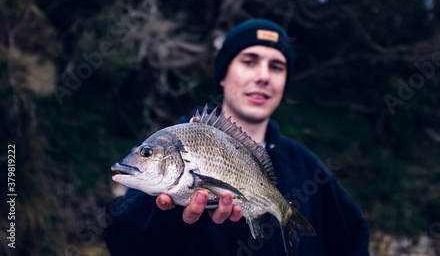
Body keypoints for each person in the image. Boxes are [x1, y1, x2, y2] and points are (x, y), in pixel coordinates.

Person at [104, 19, 370, 255]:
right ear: (222, 75)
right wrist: (167, 220)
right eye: (249, 61)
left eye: (276, 67)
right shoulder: (170, 145)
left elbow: (354, 236)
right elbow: (122, 241)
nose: (263, 76)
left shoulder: (306, 166)